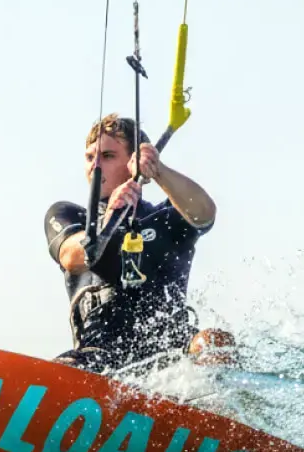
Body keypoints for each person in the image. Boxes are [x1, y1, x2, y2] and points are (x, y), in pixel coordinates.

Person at [44, 114, 219, 373]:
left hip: (171, 353)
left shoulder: (168, 217)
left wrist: (158, 170)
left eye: (108, 156)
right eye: (90, 157)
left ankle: (215, 410)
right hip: (100, 354)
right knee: (61, 368)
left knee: (214, 341)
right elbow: (71, 256)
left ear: (133, 162)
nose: (95, 165)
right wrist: (111, 220)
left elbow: (205, 213)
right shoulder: (69, 215)